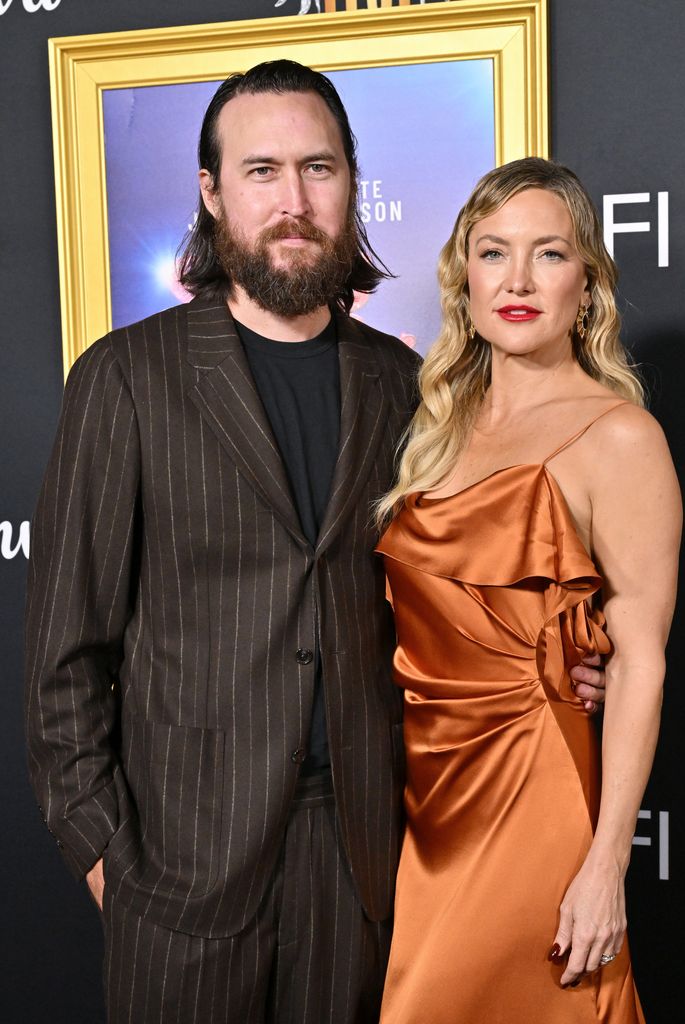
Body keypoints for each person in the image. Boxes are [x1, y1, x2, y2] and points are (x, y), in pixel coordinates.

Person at [25, 66, 606, 1023]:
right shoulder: (125, 379)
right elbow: (63, 664)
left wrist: (565, 663)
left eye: (317, 168)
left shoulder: (409, 388)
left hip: (361, 866)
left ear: (349, 184)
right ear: (212, 193)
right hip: (178, 878)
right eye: (261, 171)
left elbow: (460, 600)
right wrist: (111, 871)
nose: (292, 201)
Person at [375, 157, 682, 1023]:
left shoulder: (618, 437)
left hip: (532, 794)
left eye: (547, 255)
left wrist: (604, 865)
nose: (516, 280)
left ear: (585, 286)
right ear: (462, 278)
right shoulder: (435, 429)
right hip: (420, 801)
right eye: (492, 252)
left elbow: (639, 664)